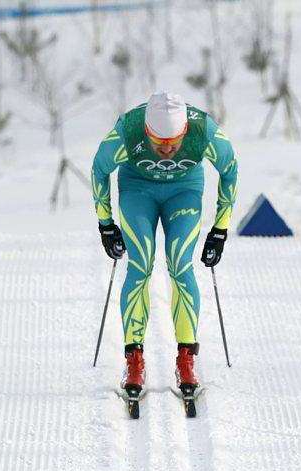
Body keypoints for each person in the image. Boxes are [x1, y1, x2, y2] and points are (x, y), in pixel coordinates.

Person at [91, 92, 238, 399]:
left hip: (183, 192)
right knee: (141, 263)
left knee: (180, 264)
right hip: (137, 190)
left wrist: (220, 229)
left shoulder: (204, 131)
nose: (168, 150)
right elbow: (99, 169)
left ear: (185, 130)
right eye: (160, 143)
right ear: (147, 132)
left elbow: (230, 168)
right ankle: (133, 360)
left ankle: (186, 360)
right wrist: (106, 224)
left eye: (174, 142)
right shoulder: (127, 131)